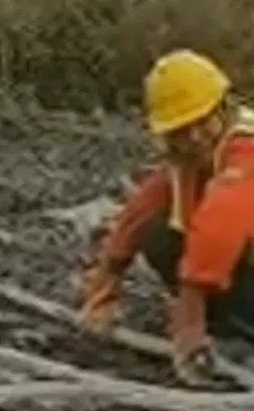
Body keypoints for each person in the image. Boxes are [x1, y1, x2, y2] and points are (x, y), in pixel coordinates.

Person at [79, 47, 254, 385]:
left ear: (223, 106)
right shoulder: (188, 161)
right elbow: (143, 207)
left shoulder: (246, 148)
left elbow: (222, 221)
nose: (194, 138)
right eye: (179, 130)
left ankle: (237, 337)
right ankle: (227, 330)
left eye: (202, 122)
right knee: (157, 235)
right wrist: (108, 276)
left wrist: (190, 309)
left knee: (211, 241)